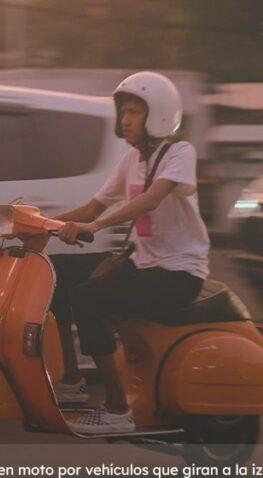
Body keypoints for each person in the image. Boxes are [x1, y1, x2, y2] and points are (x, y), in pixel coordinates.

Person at [49, 71, 210, 434]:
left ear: (159, 114)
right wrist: (36, 223)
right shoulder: (130, 160)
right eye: (123, 112)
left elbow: (150, 199)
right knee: (54, 270)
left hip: (178, 274)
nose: (125, 120)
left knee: (87, 298)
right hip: (143, 264)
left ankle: (118, 409)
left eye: (134, 111)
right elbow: (91, 209)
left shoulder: (179, 153)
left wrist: (96, 228)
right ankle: (72, 382)